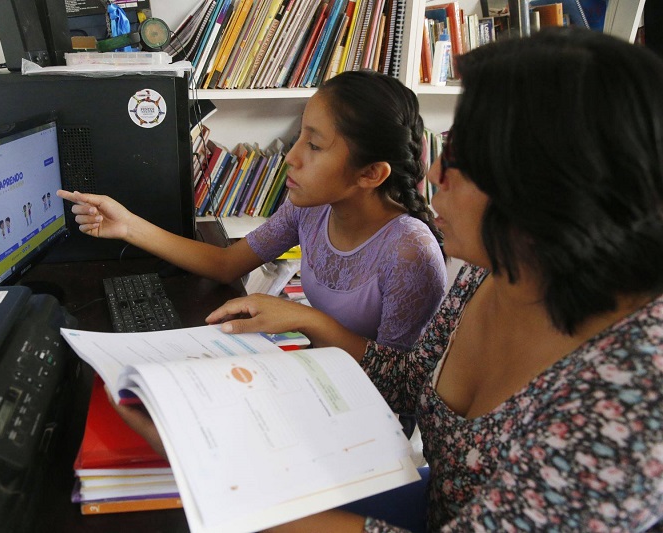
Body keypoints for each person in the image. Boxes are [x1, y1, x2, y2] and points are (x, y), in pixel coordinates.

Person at [116, 28, 663, 532]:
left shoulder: (630, 397)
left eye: (464, 157)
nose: (433, 174)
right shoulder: (490, 273)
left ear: (549, 189)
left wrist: (211, 468)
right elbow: (410, 380)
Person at [58, 69, 447, 357]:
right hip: (321, 375)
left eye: (314, 146)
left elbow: (398, 382)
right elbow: (227, 264)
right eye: (300, 136)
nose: (291, 157)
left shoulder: (410, 253)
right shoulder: (311, 210)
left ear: (371, 174)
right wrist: (128, 225)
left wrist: (306, 318)